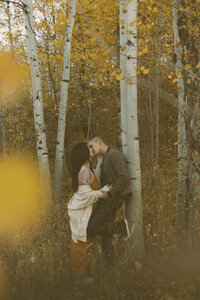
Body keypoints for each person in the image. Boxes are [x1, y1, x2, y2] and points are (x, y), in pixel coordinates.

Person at [68, 142, 110, 284]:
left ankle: (87, 277)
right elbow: (85, 195)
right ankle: (79, 279)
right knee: (81, 243)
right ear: (83, 153)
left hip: (87, 211)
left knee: (87, 242)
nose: (91, 149)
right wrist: (101, 194)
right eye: (88, 148)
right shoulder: (84, 171)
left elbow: (89, 191)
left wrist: (101, 191)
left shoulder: (86, 169)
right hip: (81, 213)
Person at [87, 137, 131, 266]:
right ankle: (109, 266)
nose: (91, 149)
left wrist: (110, 193)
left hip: (115, 198)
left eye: (91, 146)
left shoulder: (114, 155)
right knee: (106, 235)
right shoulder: (105, 158)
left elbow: (124, 177)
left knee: (91, 228)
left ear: (99, 142)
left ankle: (121, 226)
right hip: (109, 198)